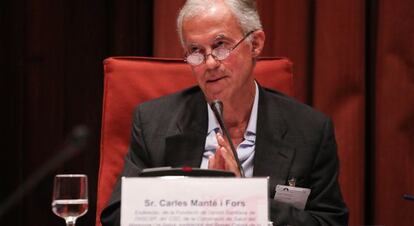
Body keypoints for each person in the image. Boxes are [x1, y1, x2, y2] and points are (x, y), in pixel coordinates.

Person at [101, 0, 348, 225]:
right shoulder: (154, 122)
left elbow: (329, 222)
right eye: (196, 51)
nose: (209, 63)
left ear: (256, 44)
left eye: (221, 46)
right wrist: (204, 198)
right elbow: (117, 215)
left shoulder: (309, 130)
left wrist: (243, 198)